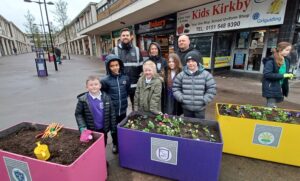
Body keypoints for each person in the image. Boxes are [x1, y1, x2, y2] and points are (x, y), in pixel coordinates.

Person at [173, 50, 216, 119]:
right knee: (188, 126)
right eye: (188, 61)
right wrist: (182, 98)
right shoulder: (181, 75)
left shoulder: (206, 75)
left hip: (200, 109)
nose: (191, 63)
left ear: (197, 62)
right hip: (186, 108)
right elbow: (175, 88)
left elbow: (211, 89)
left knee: (200, 126)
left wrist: (204, 100)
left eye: (193, 61)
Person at [75, 75, 116, 147]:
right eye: (91, 85)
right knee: (93, 146)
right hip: (90, 129)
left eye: (96, 84)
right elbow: (78, 114)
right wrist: (82, 126)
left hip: (104, 128)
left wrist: (113, 127)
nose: (94, 86)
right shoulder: (83, 100)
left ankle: (102, 157)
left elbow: (112, 113)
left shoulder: (106, 97)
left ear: (100, 86)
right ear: (87, 87)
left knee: (103, 144)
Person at [101, 54, 130, 154]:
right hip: (112, 110)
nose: (115, 67)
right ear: (108, 67)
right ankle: (115, 143)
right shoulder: (105, 81)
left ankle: (122, 142)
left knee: (122, 126)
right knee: (114, 128)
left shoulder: (125, 78)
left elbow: (127, 91)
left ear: (120, 65)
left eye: (116, 65)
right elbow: (103, 95)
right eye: (112, 66)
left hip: (122, 108)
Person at [111, 28, 143, 111]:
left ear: (131, 37)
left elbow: (141, 68)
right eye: (123, 35)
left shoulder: (137, 50)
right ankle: (122, 124)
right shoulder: (115, 50)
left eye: (127, 35)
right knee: (121, 109)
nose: (125, 37)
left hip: (135, 86)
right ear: (120, 37)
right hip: (120, 86)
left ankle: (134, 123)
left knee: (136, 109)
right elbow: (110, 70)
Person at [262, 42, 294, 108]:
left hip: (279, 86)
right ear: (280, 49)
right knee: (270, 105)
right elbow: (267, 74)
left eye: (289, 50)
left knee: (273, 105)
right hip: (271, 86)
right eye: (287, 50)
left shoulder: (286, 60)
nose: (288, 52)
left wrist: (289, 75)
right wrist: (283, 75)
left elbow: (284, 72)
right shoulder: (271, 60)